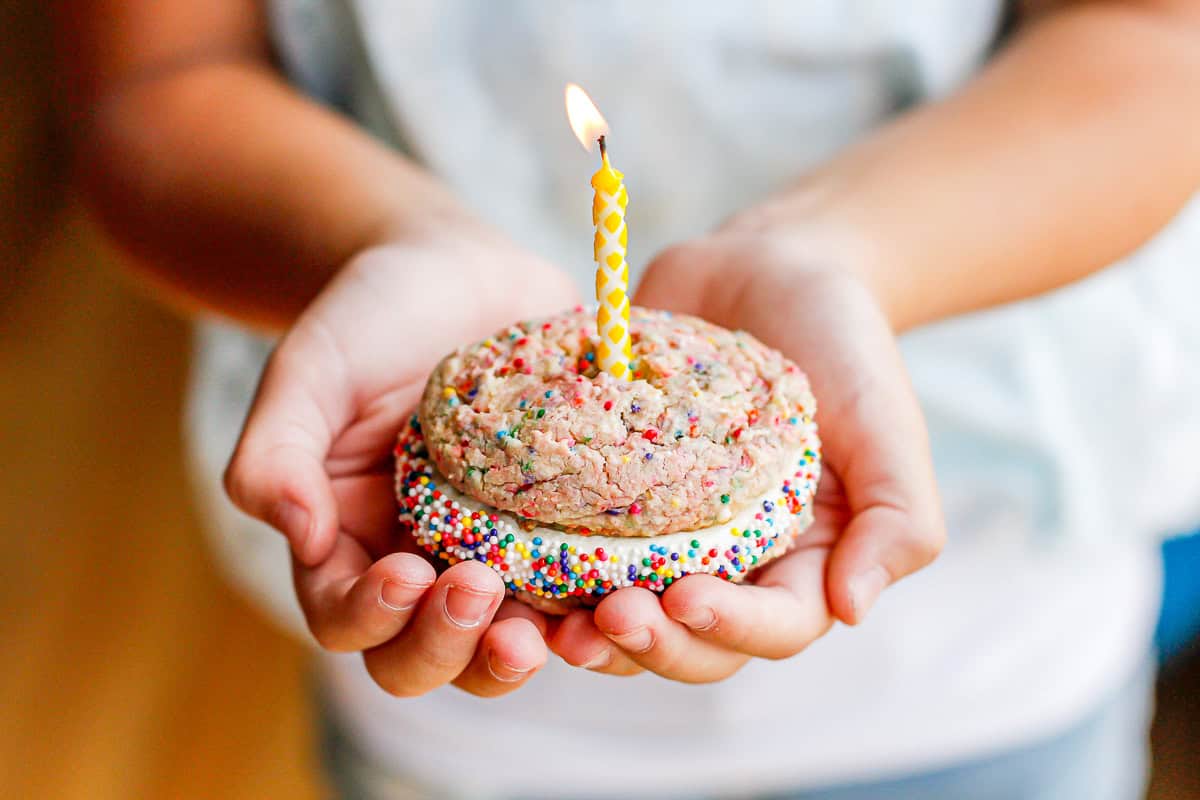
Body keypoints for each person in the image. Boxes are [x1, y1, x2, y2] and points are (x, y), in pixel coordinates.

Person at [62, 1, 1200, 797]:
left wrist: (838, 255)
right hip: (468, 711)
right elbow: (157, 78)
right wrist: (391, 244)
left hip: (991, 632)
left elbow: (1158, 39)